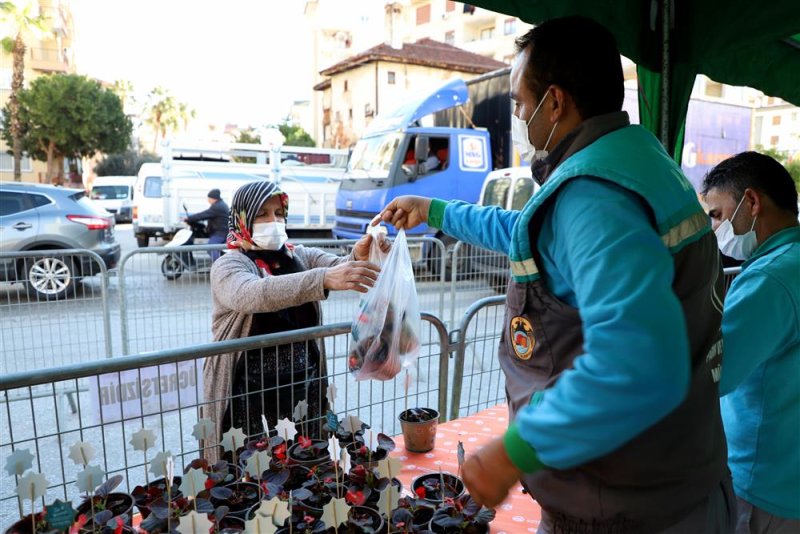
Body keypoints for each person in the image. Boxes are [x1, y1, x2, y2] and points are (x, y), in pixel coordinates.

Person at [377, 16, 732, 533]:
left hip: (624, 504)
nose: (519, 115)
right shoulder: (640, 163)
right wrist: (433, 210)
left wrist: (512, 452)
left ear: (557, 102)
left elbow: (637, 362)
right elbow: (528, 233)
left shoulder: (594, 195)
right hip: (677, 478)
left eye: (520, 103)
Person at [202, 180, 389, 459]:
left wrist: (359, 256)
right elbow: (253, 293)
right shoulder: (229, 264)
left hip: (302, 383)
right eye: (262, 214)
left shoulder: (298, 255)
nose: (273, 221)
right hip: (246, 388)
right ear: (242, 218)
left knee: (304, 455)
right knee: (249, 461)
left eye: (278, 213)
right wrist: (322, 279)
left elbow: (337, 267)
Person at [702, 152, 800, 534]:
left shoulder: (771, 279)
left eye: (717, 214)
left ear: (752, 202)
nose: (715, 228)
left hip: (763, 485)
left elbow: (714, 371)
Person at [184, 188, 230, 262]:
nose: (208, 200)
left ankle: (218, 265)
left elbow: (204, 214)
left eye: (209, 198)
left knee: (210, 247)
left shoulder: (217, 206)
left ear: (213, 198)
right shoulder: (220, 204)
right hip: (222, 231)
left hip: (220, 233)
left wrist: (189, 218)